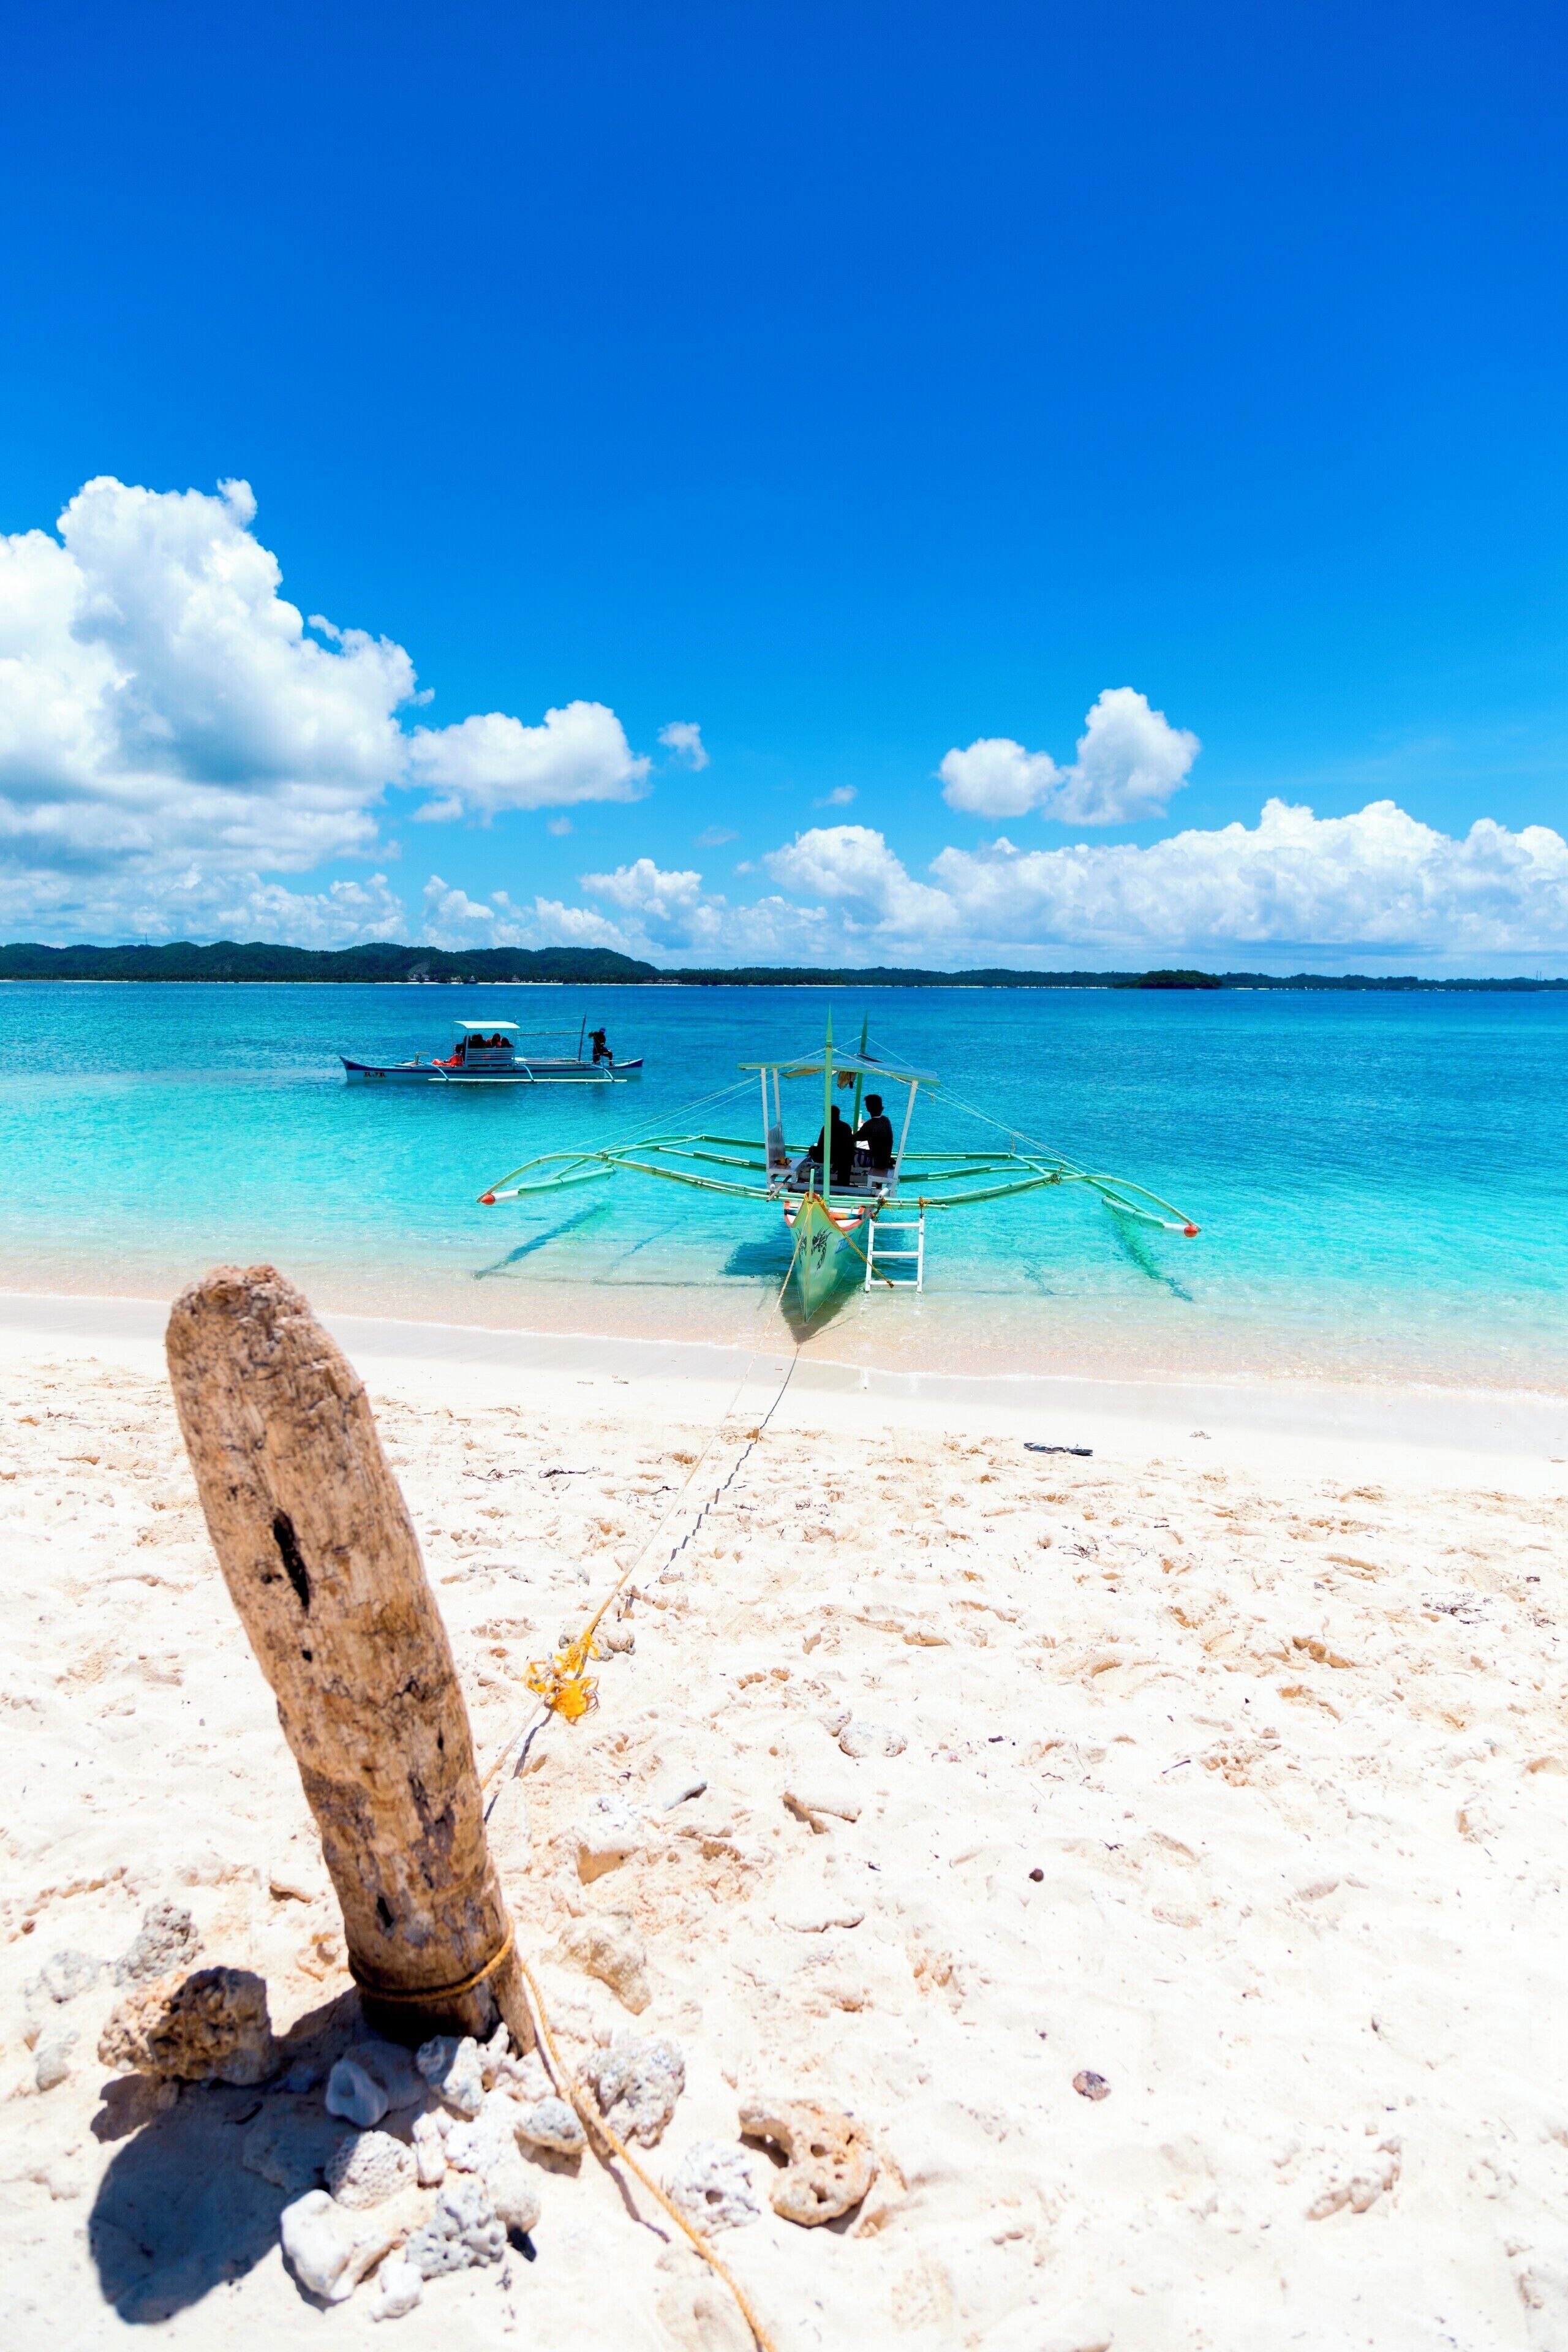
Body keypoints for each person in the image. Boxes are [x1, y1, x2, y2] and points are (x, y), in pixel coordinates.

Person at [805, 1104, 856, 1186]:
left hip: (830, 1158)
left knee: (812, 1149)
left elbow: (820, 1146)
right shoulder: (846, 1126)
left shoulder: (826, 1128)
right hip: (844, 1158)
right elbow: (851, 1145)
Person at [856, 1093, 895, 1172]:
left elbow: (854, 1139)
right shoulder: (886, 1120)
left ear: (868, 1109)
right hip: (886, 1160)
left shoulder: (869, 1125)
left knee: (847, 1152)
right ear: (882, 1108)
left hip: (877, 1162)